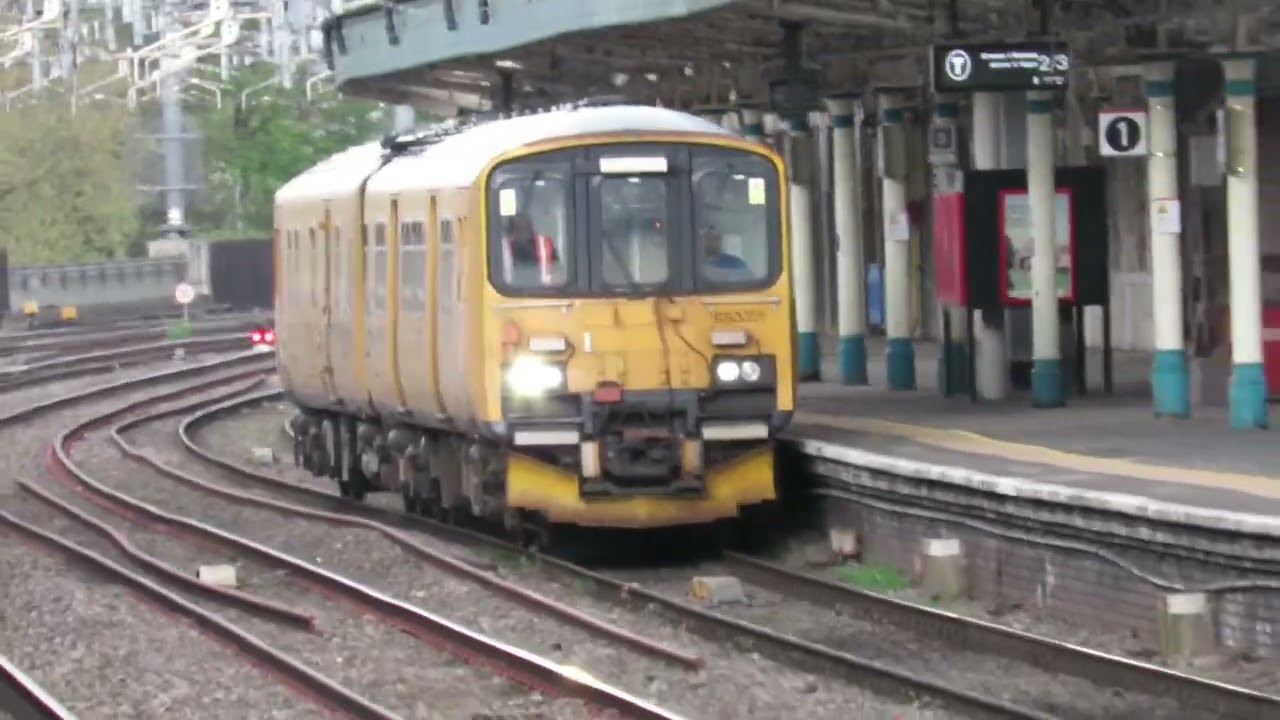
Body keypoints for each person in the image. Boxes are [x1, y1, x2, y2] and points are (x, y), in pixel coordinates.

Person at [503, 214, 559, 285]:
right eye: (518, 228)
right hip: (509, 292)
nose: (523, 231)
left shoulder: (545, 244)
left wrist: (555, 278)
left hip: (543, 291)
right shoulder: (501, 247)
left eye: (526, 227)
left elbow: (557, 268)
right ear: (511, 230)